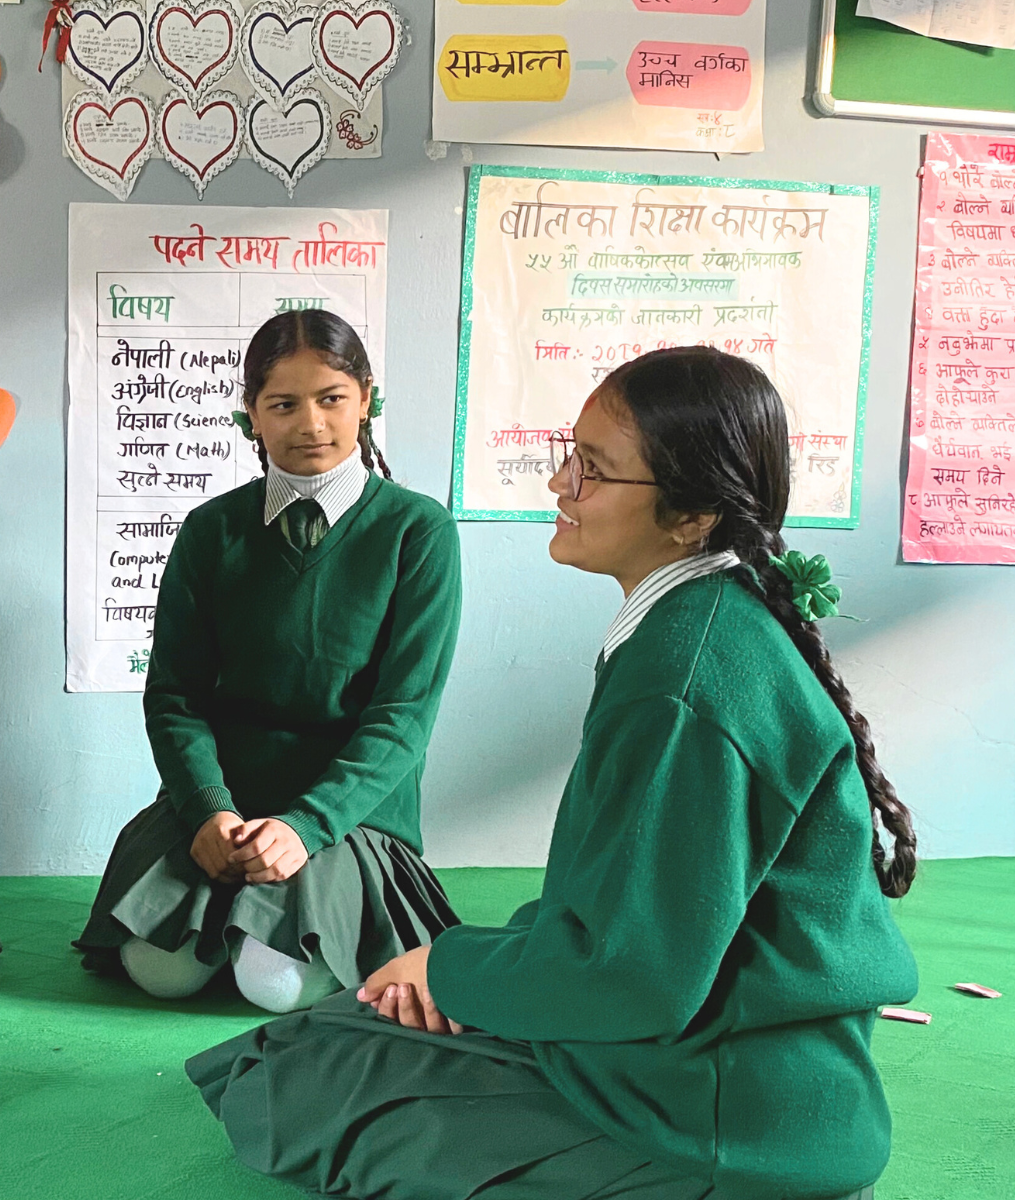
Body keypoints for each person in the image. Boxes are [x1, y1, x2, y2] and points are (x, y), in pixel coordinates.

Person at [186, 346, 919, 1200]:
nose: (559, 485)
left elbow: (635, 979)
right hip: (713, 1068)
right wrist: (460, 961)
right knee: (330, 1029)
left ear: (690, 516)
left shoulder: (684, 679)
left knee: (294, 1076)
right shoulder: (697, 626)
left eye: (595, 470)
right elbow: (621, 909)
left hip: (716, 1117)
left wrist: (450, 971)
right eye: (568, 455)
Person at [75, 309, 464, 1015]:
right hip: (221, 808)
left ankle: (258, 928)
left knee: (276, 986)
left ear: (367, 398)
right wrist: (208, 812)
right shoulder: (210, 530)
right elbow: (175, 698)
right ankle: (231, 917)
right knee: (159, 973)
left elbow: (403, 717)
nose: (310, 423)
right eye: (283, 404)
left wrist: (305, 826)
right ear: (250, 413)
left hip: (345, 814)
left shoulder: (418, 531)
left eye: (332, 398)